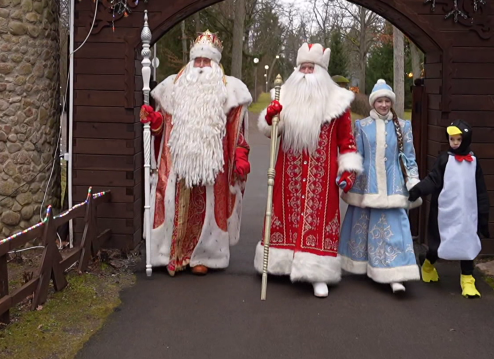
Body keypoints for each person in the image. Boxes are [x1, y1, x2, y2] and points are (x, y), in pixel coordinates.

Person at [139, 30, 252, 276]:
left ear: (215, 63)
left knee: (210, 212)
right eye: (197, 61)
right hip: (178, 165)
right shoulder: (173, 87)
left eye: (206, 61)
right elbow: (164, 126)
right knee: (170, 203)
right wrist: (154, 119)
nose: (201, 66)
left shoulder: (229, 91)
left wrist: (241, 156)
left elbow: (237, 133)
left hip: (213, 169)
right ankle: (169, 253)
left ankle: (205, 257)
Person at [254, 43, 362, 298]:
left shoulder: (338, 104)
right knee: (284, 213)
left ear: (321, 72)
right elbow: (272, 133)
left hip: (322, 177)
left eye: (310, 68)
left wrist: (348, 171)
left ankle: (317, 273)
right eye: (302, 67)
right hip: (287, 172)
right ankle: (281, 263)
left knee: (319, 219)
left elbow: (346, 141)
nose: (305, 72)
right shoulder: (283, 98)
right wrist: (271, 117)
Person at [339, 79, 422, 293]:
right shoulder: (362, 126)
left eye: (387, 101)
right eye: (380, 101)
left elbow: (408, 157)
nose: (384, 105)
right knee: (364, 228)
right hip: (367, 186)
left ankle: (396, 274)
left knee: (395, 230)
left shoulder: (403, 127)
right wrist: (348, 176)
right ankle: (366, 266)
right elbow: (356, 156)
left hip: (394, 188)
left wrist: (412, 180)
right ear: (373, 103)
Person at [408, 120, 490, 298]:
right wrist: (417, 190)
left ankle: (468, 280)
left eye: (458, 139)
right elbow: (433, 179)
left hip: (468, 212)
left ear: (466, 140)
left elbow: (481, 190)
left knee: (467, 244)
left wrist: (484, 216)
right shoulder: (445, 160)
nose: (454, 143)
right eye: (452, 139)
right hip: (445, 212)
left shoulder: (474, 162)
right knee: (439, 244)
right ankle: (428, 264)